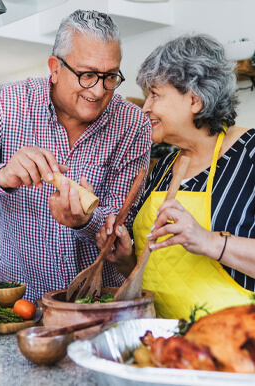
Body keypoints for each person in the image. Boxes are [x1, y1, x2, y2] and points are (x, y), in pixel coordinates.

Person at [0, 10, 151, 302]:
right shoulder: (6, 105)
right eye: (87, 75)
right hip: (21, 305)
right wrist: (2, 175)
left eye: (109, 76)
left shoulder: (132, 124)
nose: (98, 90)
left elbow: (120, 224)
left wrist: (86, 223)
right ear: (55, 68)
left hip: (100, 302)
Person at [97, 34, 255, 320]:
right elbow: (157, 266)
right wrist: (125, 259)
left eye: (155, 95)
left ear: (194, 98)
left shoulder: (250, 154)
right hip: (161, 343)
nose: (145, 108)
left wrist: (208, 241)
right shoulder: (165, 166)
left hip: (231, 346)